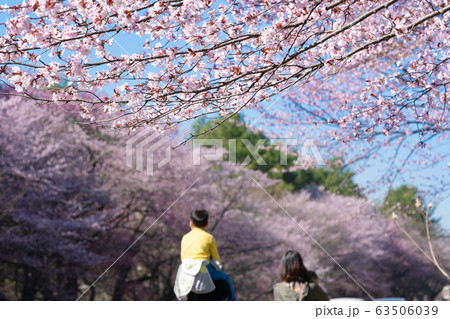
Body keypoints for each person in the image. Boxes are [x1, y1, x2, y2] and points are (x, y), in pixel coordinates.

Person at [173, 209, 235, 300]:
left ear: (191, 224)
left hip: (186, 270)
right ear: (207, 224)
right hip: (204, 269)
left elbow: (183, 257)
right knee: (225, 277)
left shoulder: (185, 237)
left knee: (181, 289)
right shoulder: (209, 238)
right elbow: (216, 259)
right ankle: (233, 300)